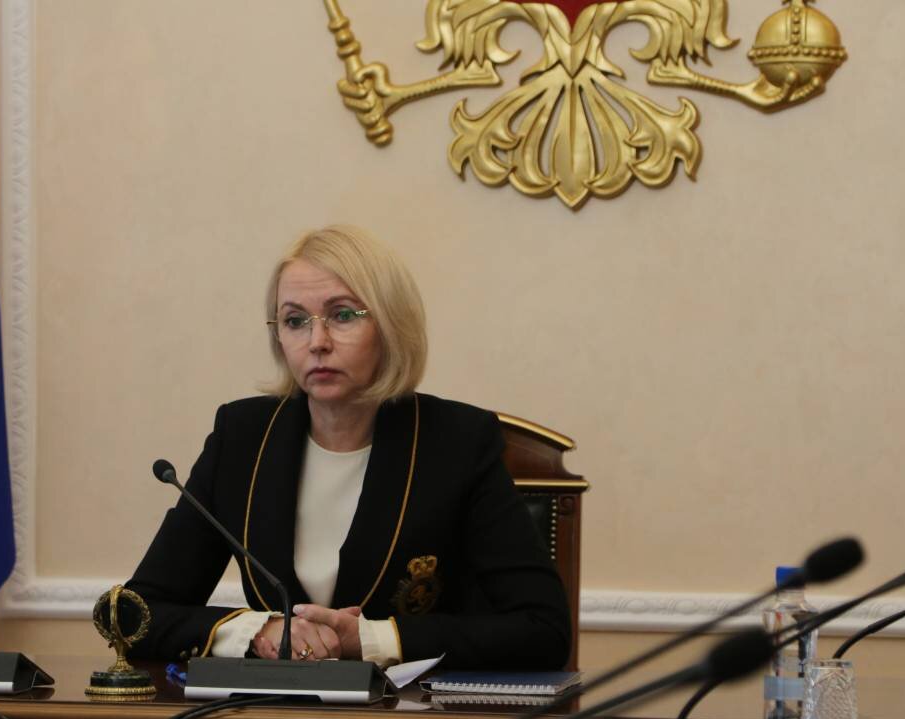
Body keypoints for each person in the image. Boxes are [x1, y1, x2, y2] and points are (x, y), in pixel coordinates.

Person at [124, 225, 570, 669]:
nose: (317, 343)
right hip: (268, 707)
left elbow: (543, 629)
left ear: (391, 326)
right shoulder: (243, 437)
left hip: (407, 710)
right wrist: (258, 630)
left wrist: (371, 640)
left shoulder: (457, 441)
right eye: (295, 321)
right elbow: (134, 613)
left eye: (342, 316)